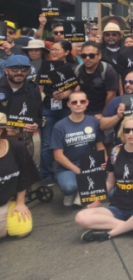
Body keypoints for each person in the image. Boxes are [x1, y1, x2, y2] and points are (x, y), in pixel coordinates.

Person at [76, 115, 133, 242]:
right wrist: (98, 197)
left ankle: (110, 233)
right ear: (123, 131)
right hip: (118, 207)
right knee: (81, 217)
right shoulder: (115, 151)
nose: (131, 133)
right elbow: (110, 182)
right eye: (127, 130)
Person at [51, 92, 105, 206]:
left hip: (90, 165)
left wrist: (106, 161)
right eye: (74, 102)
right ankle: (72, 192)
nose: (78, 104)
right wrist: (77, 170)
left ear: (87, 103)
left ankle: (83, 191)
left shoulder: (94, 122)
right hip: (67, 167)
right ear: (69, 104)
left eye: (82, 101)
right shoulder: (59, 126)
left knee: (110, 188)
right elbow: (58, 156)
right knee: (69, 187)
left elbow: (100, 145)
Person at [40, 40, 77, 185]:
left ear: (66, 52)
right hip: (48, 107)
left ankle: (66, 169)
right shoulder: (45, 67)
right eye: (52, 50)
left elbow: (77, 87)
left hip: (66, 108)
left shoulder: (73, 67)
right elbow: (38, 87)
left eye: (57, 49)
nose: (53, 52)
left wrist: (66, 93)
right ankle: (47, 174)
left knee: (68, 140)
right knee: (47, 142)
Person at [0, 113, 40, 239]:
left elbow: (25, 175)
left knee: (22, 229)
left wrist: (20, 202)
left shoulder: (16, 147)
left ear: (1, 130)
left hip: (6, 201)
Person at [0, 55, 42, 145]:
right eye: (14, 69)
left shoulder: (33, 89)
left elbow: (38, 116)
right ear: (6, 70)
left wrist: (35, 125)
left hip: (22, 140)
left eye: (24, 69)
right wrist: (4, 128)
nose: (19, 72)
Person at [74, 42, 118, 118]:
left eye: (91, 55)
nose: (87, 58)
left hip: (101, 111)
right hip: (82, 111)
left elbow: (111, 94)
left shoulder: (108, 70)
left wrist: (104, 113)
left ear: (99, 56)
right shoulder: (77, 70)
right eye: (84, 56)